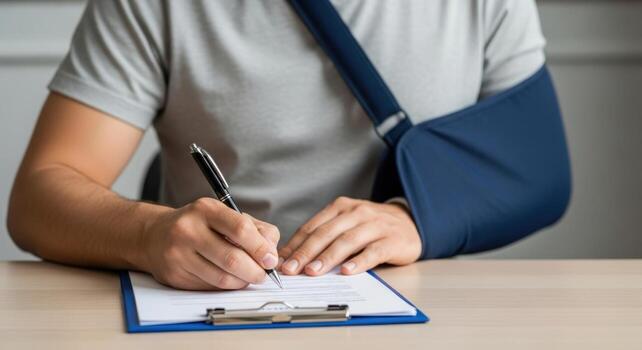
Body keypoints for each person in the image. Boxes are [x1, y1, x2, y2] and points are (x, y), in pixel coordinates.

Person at [7, 0, 546, 290]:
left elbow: (541, 170)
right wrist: (149, 234)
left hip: (430, 316)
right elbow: (38, 196)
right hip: (222, 313)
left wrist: (419, 218)